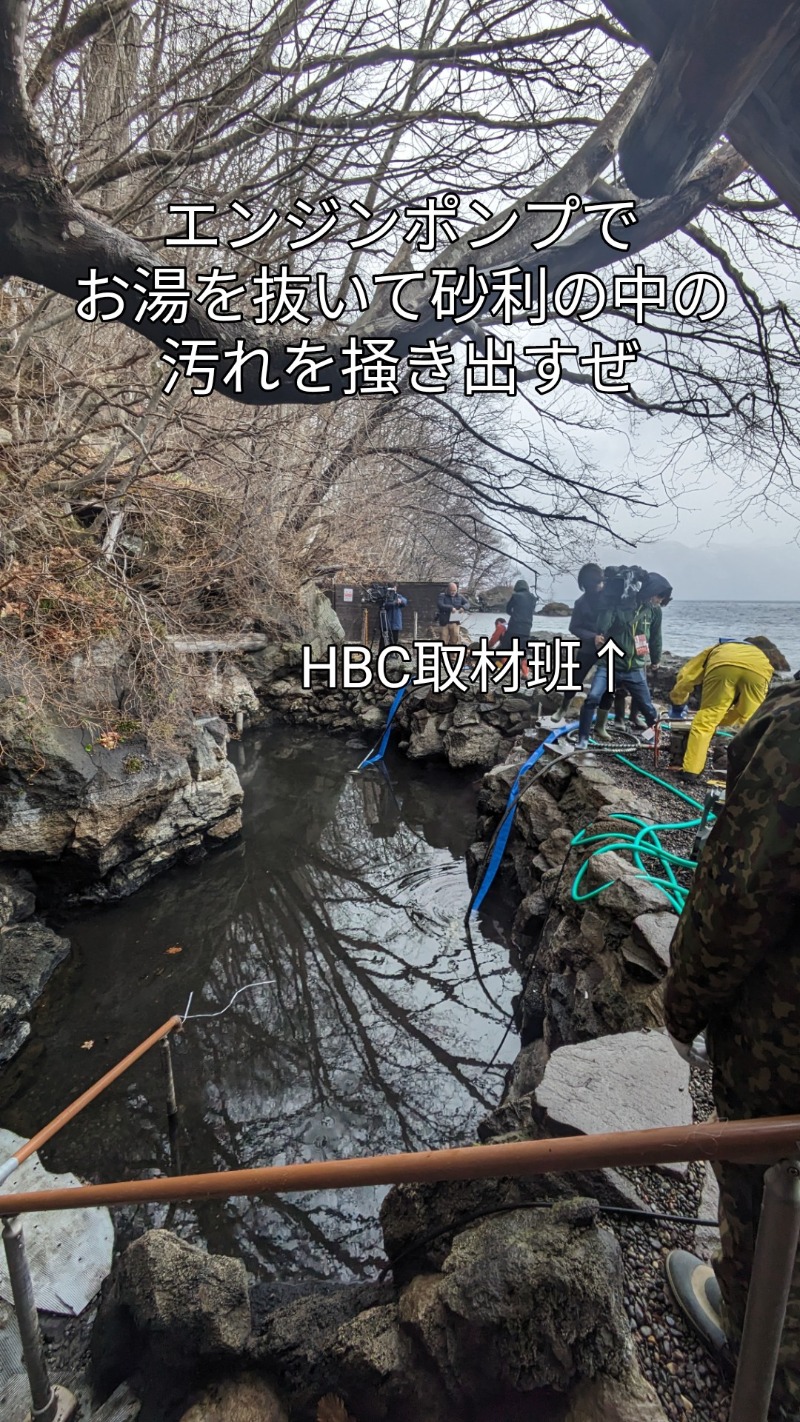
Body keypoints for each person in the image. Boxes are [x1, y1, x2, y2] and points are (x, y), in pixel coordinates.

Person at [662, 678, 800, 1420]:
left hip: (785, 1051)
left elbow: (739, 895)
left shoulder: (796, 729)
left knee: (767, 1192)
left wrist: (682, 1007)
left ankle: (765, 1370)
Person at [575, 571, 673, 750]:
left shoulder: (654, 612)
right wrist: (611, 605)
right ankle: (583, 738)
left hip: (635, 666)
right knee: (593, 698)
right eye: (659, 596)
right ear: (650, 592)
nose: (660, 600)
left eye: (663, 598)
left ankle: (653, 738)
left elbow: (655, 637)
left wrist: (655, 660)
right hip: (609, 664)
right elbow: (602, 626)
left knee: (648, 708)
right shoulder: (620, 605)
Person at [668, 638, 774, 782]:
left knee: (704, 723)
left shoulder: (714, 649)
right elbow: (743, 709)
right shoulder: (757, 653)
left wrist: (678, 701)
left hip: (723, 665)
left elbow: (687, 677)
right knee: (753, 720)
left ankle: (691, 772)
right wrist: (723, 720)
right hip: (759, 671)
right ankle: (756, 773)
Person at [558, 563, 615, 728]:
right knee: (576, 677)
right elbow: (573, 627)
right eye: (594, 584)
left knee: (610, 685)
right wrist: (592, 637)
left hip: (609, 647)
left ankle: (601, 724)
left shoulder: (611, 599)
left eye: (600, 582)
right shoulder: (581, 602)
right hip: (588, 647)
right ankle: (563, 707)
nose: (599, 586)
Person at [498, 578, 537, 651]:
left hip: (514, 628)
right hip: (527, 629)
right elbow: (530, 611)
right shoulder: (533, 598)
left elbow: (508, 609)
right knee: (521, 649)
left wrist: (514, 614)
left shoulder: (516, 596)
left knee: (505, 644)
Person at [436, 581, 469, 646]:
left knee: (455, 641)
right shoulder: (442, 596)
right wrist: (450, 608)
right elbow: (440, 605)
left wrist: (463, 607)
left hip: (455, 621)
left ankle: (453, 656)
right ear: (448, 590)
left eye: (454, 590)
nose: (453, 592)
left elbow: (467, 603)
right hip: (444, 622)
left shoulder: (460, 597)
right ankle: (442, 655)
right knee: (443, 640)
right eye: (451, 590)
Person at [377, 583, 407, 652]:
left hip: (395, 622)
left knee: (394, 638)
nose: (393, 589)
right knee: (383, 638)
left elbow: (405, 602)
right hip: (386, 621)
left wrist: (400, 601)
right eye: (392, 588)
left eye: (395, 588)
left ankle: (393, 653)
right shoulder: (384, 597)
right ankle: (382, 652)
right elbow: (384, 605)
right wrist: (394, 602)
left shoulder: (398, 596)